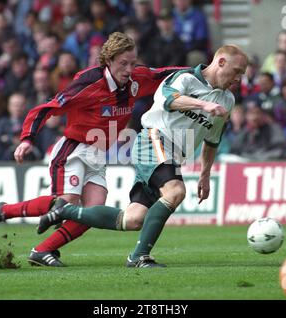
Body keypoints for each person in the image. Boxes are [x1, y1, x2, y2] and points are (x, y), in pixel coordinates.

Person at [0, 32, 183, 267]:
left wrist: (199, 73)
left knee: (91, 213)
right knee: (66, 202)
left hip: (98, 154)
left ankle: (42, 251)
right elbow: (47, 108)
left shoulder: (136, 80)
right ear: (108, 61)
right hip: (73, 149)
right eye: (123, 63)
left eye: (133, 63)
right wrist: (27, 139)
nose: (129, 69)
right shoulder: (88, 83)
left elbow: (165, 74)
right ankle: (3, 211)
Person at [36, 45, 248, 267]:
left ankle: (65, 210)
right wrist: (204, 104)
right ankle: (139, 257)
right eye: (236, 71)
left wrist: (205, 175)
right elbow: (169, 99)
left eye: (242, 74)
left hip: (173, 154)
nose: (238, 78)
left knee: (133, 219)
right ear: (221, 62)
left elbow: (212, 140)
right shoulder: (185, 78)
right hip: (154, 139)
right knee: (175, 192)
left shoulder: (227, 101)